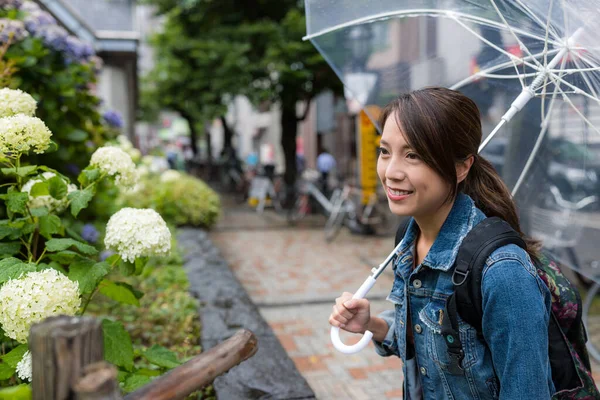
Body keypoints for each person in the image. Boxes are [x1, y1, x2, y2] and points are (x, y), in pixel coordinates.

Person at [328, 87, 554, 399]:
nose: (391, 172)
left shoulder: (502, 272)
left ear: (462, 167)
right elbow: (428, 341)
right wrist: (374, 325)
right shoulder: (408, 240)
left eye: (413, 155)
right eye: (384, 151)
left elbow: (528, 392)